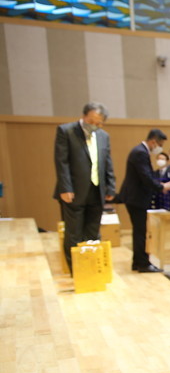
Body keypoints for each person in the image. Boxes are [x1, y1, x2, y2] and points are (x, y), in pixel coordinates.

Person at [53, 102, 116, 273]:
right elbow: (62, 162)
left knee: (93, 232)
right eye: (92, 121)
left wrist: (110, 187)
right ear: (84, 116)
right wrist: (65, 188)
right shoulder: (66, 131)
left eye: (99, 123)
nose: (95, 126)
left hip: (96, 191)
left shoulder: (103, 136)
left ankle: (91, 269)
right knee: (74, 233)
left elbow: (107, 163)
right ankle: (77, 272)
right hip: (73, 192)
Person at [118, 129, 170, 273]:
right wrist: (162, 187)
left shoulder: (140, 151)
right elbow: (146, 177)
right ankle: (143, 264)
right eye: (160, 144)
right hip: (137, 198)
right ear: (153, 141)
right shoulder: (140, 152)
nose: (160, 148)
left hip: (135, 197)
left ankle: (138, 262)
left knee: (139, 231)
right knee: (141, 232)